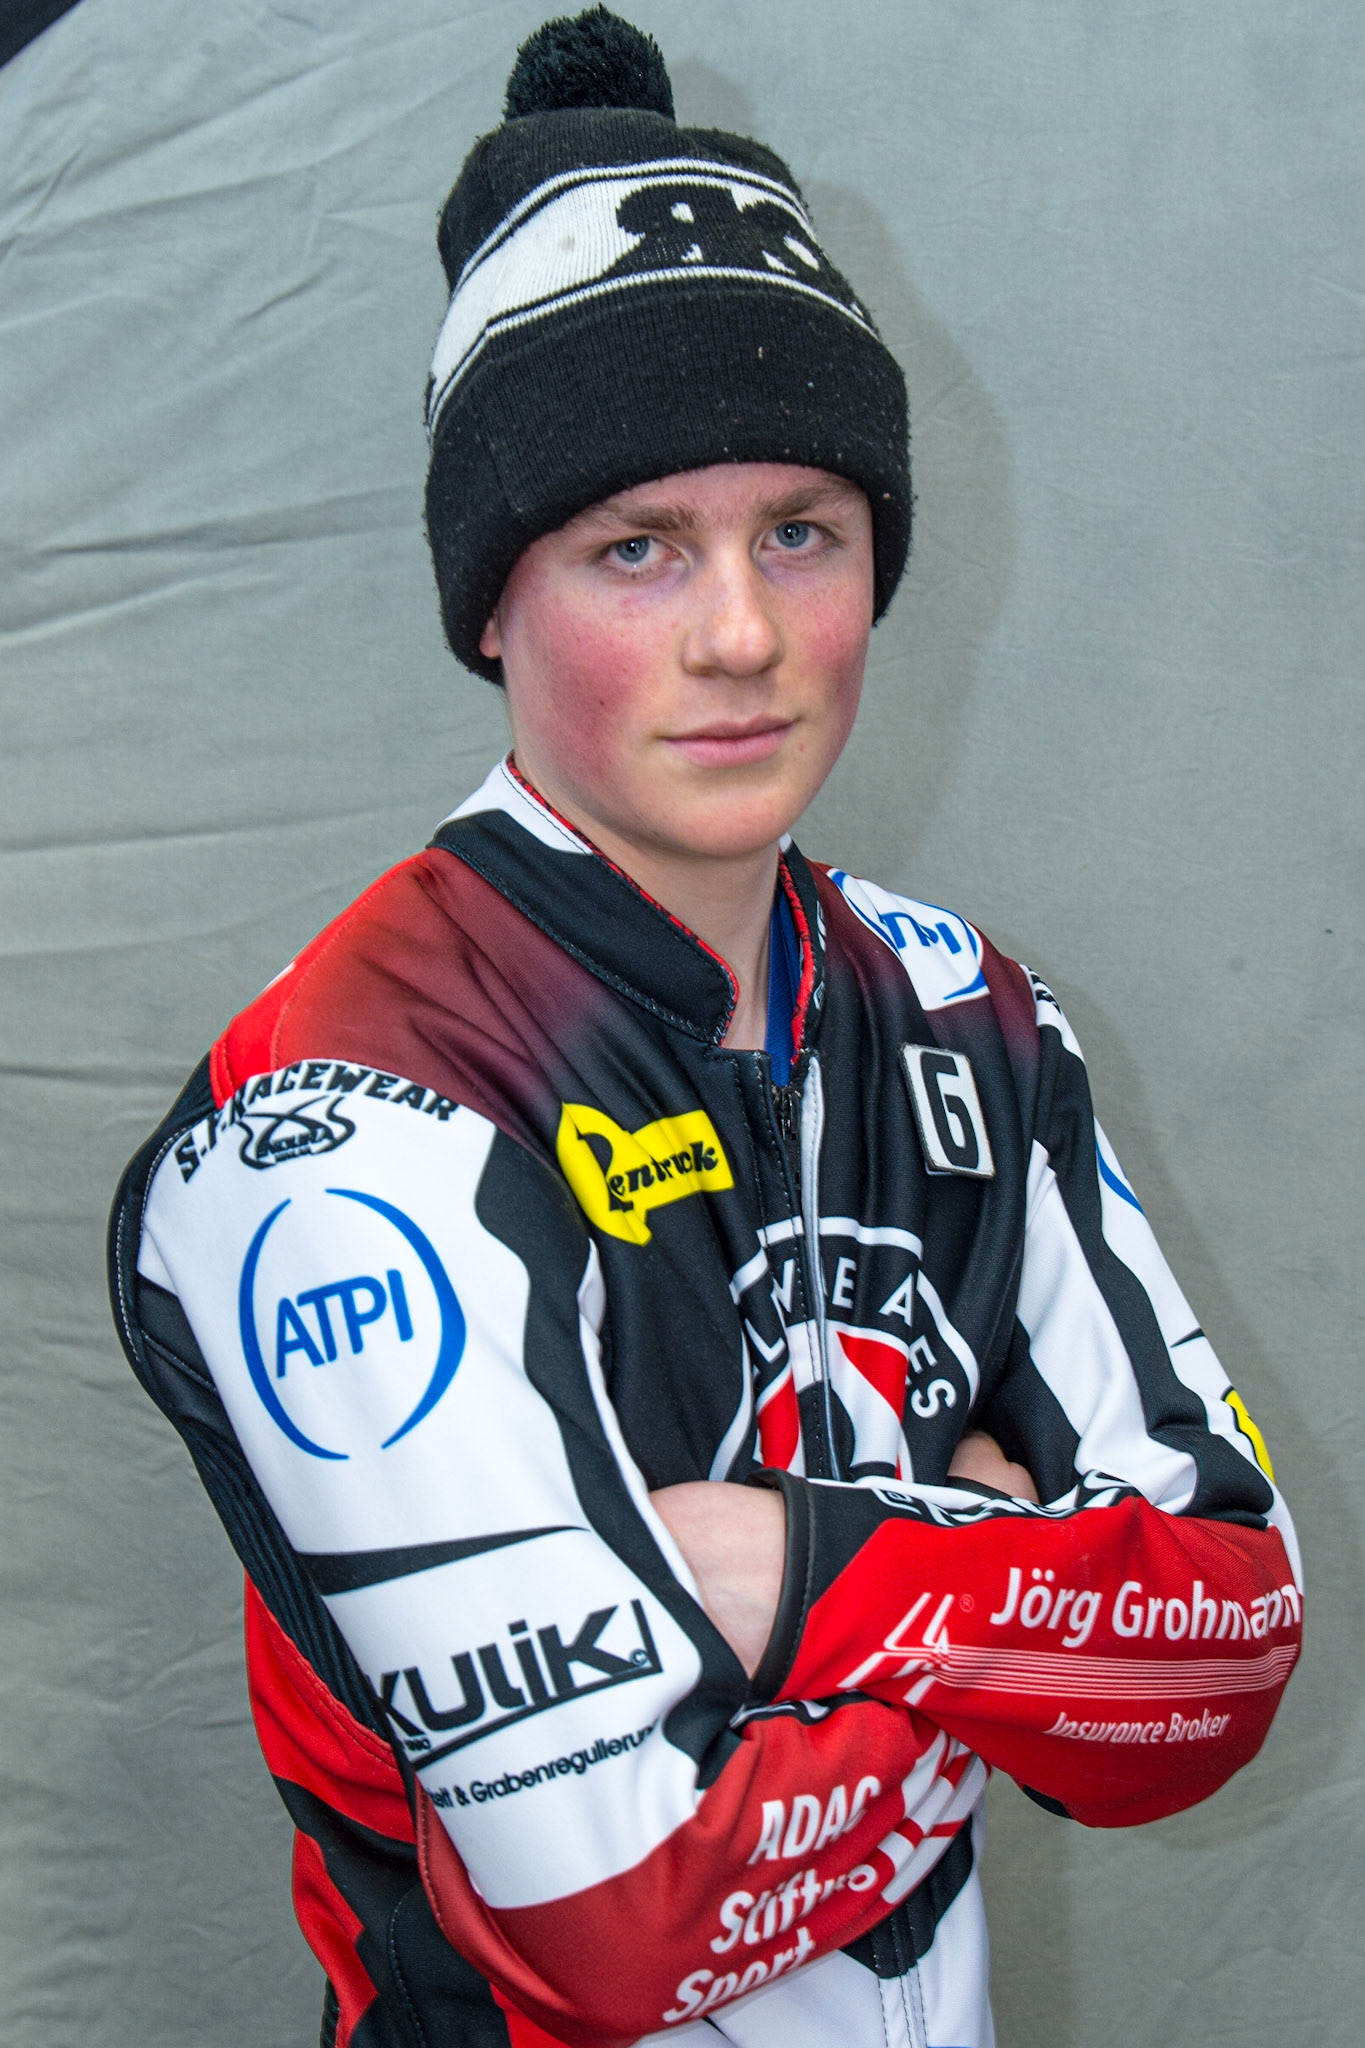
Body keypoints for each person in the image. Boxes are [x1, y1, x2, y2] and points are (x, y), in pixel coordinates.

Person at [107, 11, 1302, 2047]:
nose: (739, 635)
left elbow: (1224, 1664)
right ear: (494, 596)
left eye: (799, 533)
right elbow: (608, 1916)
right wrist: (1004, 1594)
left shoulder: (970, 1018)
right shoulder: (334, 1115)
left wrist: (800, 1574)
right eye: (633, 548)